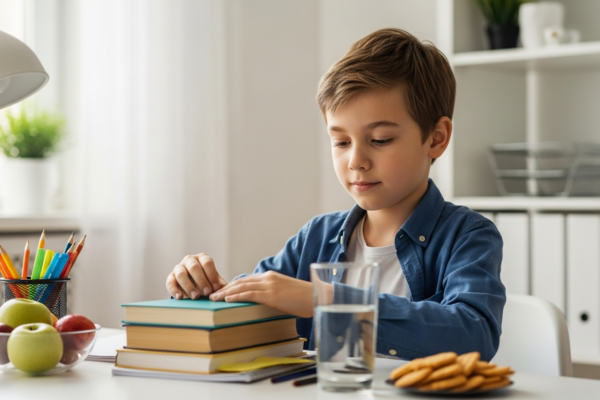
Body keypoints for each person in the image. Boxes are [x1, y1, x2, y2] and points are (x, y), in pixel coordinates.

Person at [165, 28, 505, 361]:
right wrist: (200, 287)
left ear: (436, 138)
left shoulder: (468, 236)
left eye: (381, 139)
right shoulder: (316, 237)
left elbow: (472, 335)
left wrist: (327, 299)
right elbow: (251, 300)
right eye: (341, 142)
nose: (356, 161)